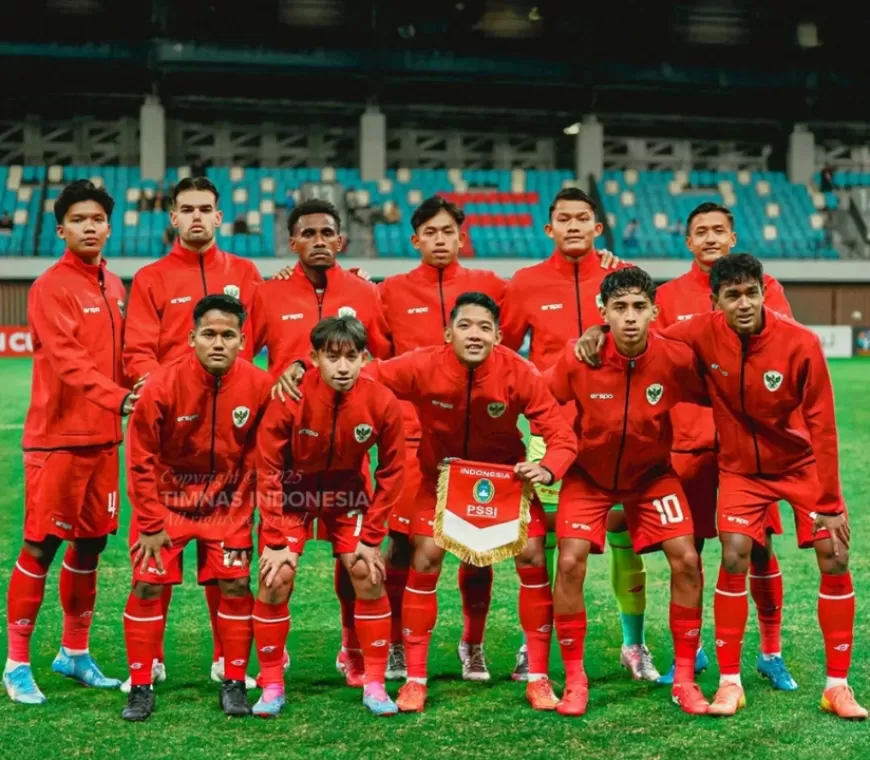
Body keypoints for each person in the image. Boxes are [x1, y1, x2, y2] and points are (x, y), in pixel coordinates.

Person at [579, 254, 866, 720]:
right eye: (733, 296)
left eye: (752, 292)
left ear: (764, 292)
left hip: (799, 465)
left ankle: (837, 686)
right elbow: (642, 340)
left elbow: (823, 426)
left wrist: (831, 503)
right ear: (716, 302)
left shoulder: (801, 343)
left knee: (834, 554)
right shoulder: (698, 331)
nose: (744, 303)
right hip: (741, 471)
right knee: (734, 552)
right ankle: (730, 682)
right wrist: (598, 333)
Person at [364, 292, 578, 713]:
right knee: (424, 556)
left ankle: (537, 678)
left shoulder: (520, 372)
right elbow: (367, 376)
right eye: (465, 326)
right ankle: (415, 679)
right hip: (438, 480)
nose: (475, 334)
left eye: (484, 327)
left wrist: (549, 468)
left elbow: (561, 435)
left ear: (499, 335)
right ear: (448, 333)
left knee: (534, 556)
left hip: (503, 483)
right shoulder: (423, 364)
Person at [499, 188, 650, 682]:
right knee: (544, 544)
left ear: (597, 227)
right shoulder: (524, 284)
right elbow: (506, 350)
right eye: (563, 219)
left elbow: (650, 338)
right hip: (550, 432)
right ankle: (532, 644)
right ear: (549, 229)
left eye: (582, 218)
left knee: (623, 532)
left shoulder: (621, 276)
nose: (573, 227)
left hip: (617, 430)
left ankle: (634, 644)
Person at [545, 268, 709, 717]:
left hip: (653, 476)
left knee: (687, 558)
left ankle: (685, 680)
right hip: (588, 476)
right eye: (619, 308)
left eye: (639, 307)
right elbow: (542, 401)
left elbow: (722, 393)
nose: (631, 317)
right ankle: (576, 679)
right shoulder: (580, 357)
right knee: (571, 559)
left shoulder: (675, 358)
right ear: (604, 313)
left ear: (655, 311)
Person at [122, 175, 264, 691]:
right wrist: (158, 385)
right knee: (153, 568)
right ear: (173, 218)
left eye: (206, 208)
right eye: (188, 209)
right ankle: (150, 660)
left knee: (228, 567)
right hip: (173, 431)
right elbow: (136, 349)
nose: (198, 216)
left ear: (220, 217)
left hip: (229, 427)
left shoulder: (246, 272)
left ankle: (226, 664)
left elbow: (262, 334)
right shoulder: (152, 277)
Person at [4, 180, 139, 704]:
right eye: (79, 220)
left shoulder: (114, 285)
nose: (89, 227)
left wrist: (139, 386)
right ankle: (16, 663)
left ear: (109, 227)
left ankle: (74, 652)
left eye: (97, 219)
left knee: (92, 544)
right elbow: (67, 361)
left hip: (103, 440)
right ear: (61, 230)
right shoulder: (49, 286)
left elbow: (123, 355)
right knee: (40, 546)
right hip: (57, 440)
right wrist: (120, 398)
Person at [653, 202, 796, 689]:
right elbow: (653, 357)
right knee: (686, 554)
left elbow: (780, 351)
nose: (711, 238)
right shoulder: (668, 295)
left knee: (758, 549)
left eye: (719, 230)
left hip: (749, 449)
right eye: (701, 232)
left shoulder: (764, 289)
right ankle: (688, 655)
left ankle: (770, 652)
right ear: (687, 241)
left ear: (732, 237)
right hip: (688, 444)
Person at [250, 197, 391, 687]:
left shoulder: (367, 294)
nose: (318, 242)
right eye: (307, 234)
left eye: (326, 233)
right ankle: (274, 660)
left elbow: (385, 362)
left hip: (348, 457)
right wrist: (278, 383)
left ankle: (352, 650)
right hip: (286, 457)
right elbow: (243, 367)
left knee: (353, 561)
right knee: (277, 569)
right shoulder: (266, 295)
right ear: (293, 243)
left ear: (340, 240)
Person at [120, 295, 272, 721]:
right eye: (209, 334)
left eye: (228, 335)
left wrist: (241, 515)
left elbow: (260, 458)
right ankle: (141, 685)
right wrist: (149, 523)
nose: (218, 343)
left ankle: (235, 681)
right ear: (192, 338)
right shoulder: (162, 385)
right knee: (147, 587)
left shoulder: (259, 387)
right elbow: (139, 459)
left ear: (244, 341)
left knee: (237, 586)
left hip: (226, 510)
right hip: (165, 508)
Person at [377, 196, 507, 682]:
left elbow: (502, 350)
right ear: (415, 240)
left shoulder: (490, 287)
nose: (439, 240)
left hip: (478, 442)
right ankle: (394, 643)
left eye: (447, 231)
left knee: (479, 546)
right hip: (409, 442)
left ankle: (472, 644)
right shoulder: (389, 292)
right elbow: (379, 365)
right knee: (404, 547)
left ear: (461, 236)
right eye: (429, 232)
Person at [252, 316, 405, 718]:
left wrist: (372, 537)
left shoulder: (381, 401)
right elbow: (266, 470)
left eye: (351, 357)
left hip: (347, 494)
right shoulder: (290, 398)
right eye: (333, 357)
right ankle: (271, 683)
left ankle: (373, 681)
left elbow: (392, 472)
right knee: (275, 576)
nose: (342, 367)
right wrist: (273, 538)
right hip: (292, 493)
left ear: (364, 359)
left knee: (367, 572)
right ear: (315, 357)